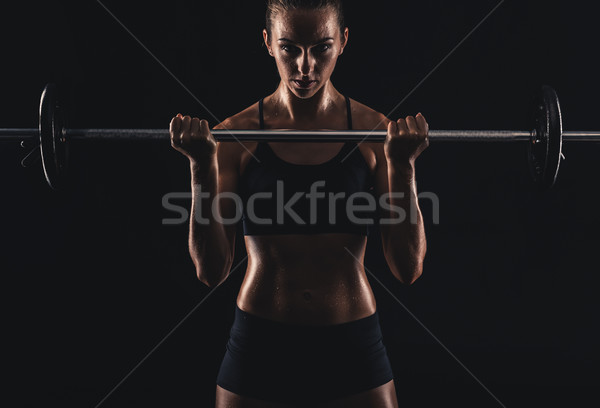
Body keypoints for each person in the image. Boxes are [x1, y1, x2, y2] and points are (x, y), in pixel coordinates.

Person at [169, 0, 428, 406]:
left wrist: (404, 166)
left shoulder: (376, 135)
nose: (305, 66)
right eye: (289, 48)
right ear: (268, 43)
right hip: (260, 341)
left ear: (342, 42)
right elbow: (210, 270)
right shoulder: (233, 138)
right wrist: (202, 167)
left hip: (351, 340)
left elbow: (408, 267)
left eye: (321, 47)